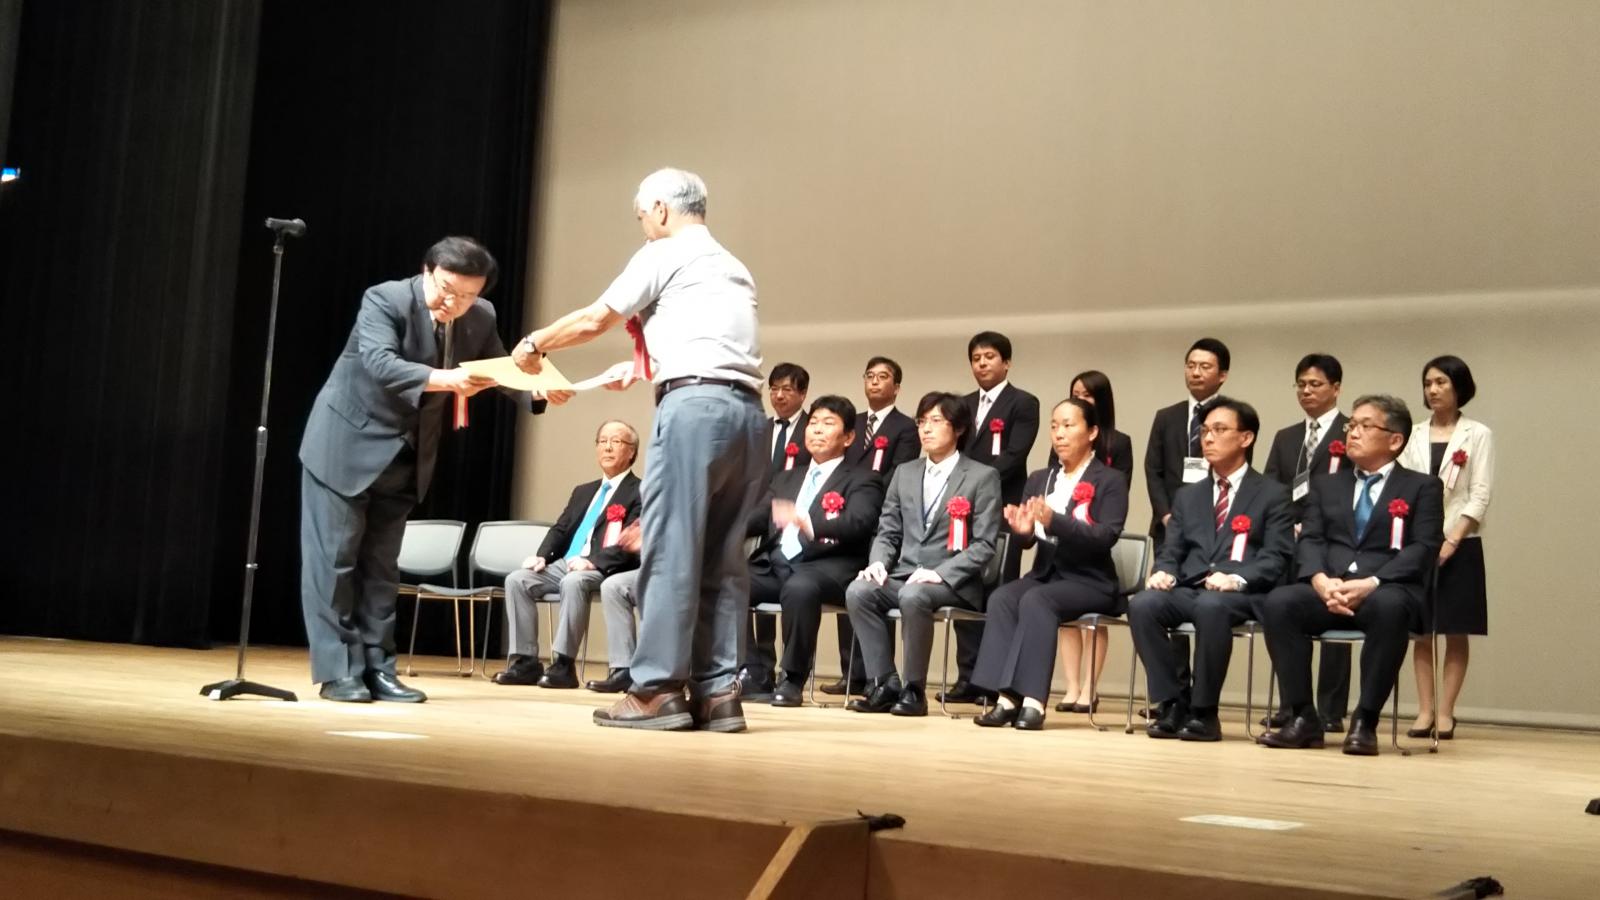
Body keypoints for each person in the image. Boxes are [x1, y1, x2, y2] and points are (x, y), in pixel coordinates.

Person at [512, 167, 766, 732]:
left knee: (671, 550)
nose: (643, 227)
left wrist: (533, 345)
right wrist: (644, 367)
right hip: (748, 414)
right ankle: (719, 694)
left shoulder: (664, 251)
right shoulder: (731, 264)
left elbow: (595, 318)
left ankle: (655, 690)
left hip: (693, 410)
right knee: (724, 557)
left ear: (661, 209)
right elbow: (709, 343)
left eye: (641, 216)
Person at [298, 236, 563, 703]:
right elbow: (381, 363)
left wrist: (537, 392)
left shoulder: (480, 316)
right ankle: (339, 672)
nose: (453, 303)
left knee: (382, 569)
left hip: (407, 455)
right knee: (335, 563)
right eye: (446, 289)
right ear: (427, 271)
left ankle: (380, 669)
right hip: (345, 447)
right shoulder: (385, 299)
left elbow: (498, 368)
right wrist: (447, 379)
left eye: (467, 295)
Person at [1257, 395, 1443, 755]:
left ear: (1395, 440)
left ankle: (1364, 721)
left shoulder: (1422, 487)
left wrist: (1372, 582)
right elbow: (1310, 539)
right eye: (1351, 425)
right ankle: (1303, 717)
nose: (1353, 433)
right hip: (1331, 588)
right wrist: (1319, 580)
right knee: (1280, 603)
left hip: (1385, 588)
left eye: (1365, 426)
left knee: (1390, 609)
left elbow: (1424, 547)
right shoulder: (1327, 484)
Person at [1128, 399, 1294, 741]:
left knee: (1211, 606)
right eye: (1204, 431)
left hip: (1243, 593)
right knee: (1143, 604)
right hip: (1191, 587)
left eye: (1219, 430)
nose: (1208, 438)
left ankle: (1204, 712)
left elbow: (1276, 556)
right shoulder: (1188, 496)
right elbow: (1172, 549)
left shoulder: (1273, 494)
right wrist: (1164, 571)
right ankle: (1173, 702)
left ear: (1246, 438)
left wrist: (1236, 578)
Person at [970, 398, 1128, 730]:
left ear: (1092, 432)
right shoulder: (1040, 478)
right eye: (1054, 426)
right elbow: (1029, 540)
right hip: (1046, 574)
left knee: (1036, 600)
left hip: (1090, 580)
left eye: (1069, 425)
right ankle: (1005, 698)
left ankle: (1032, 701)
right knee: (1003, 597)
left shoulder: (1110, 480)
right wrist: (1023, 531)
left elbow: (1105, 536)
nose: (1059, 433)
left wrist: (1055, 521)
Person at [845, 392, 1001, 717]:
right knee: (859, 591)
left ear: (958, 428)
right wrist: (878, 562)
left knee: (914, 595)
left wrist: (940, 573)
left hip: (954, 582)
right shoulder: (905, 472)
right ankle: (885, 682)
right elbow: (888, 530)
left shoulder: (982, 476)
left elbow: (984, 545)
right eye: (921, 421)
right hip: (905, 574)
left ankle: (914, 690)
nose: (926, 429)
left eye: (936, 421)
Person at [743, 395, 884, 707]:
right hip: (776, 565)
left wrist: (807, 521)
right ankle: (753, 671)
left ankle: (792, 678)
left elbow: (859, 523)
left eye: (828, 423)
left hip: (829, 567)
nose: (817, 430)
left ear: (848, 437)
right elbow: (757, 517)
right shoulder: (786, 477)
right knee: (729, 581)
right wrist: (718, 528)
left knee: (800, 587)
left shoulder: (864, 479)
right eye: (813, 423)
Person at [494, 420, 642, 689]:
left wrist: (592, 562)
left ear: (631, 451)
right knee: (517, 579)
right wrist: (542, 556)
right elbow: (561, 529)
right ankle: (526, 661)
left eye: (616, 441)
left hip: (606, 567)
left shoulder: (640, 491)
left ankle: (563, 664)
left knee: (573, 582)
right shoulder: (584, 491)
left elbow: (631, 541)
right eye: (602, 441)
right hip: (567, 563)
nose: (607, 447)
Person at [1398, 355, 1493, 740]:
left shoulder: (1477, 433)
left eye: (1441, 382)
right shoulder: (1414, 433)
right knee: (1422, 630)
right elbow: (1403, 487)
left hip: (1460, 542)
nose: (1433, 390)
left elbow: (1480, 494)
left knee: (1455, 628)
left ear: (1459, 386)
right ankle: (1424, 711)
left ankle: (1446, 712)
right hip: (1419, 543)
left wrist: (1453, 539)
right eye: (1428, 383)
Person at [945, 331, 1039, 704]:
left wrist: (974, 485)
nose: (982, 363)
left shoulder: (1024, 403)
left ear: (1007, 362)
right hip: (961, 513)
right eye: (976, 358)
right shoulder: (963, 405)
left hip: (1003, 509)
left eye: (989, 357)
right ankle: (967, 676)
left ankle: (995, 681)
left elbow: (1015, 456)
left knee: (998, 591)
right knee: (963, 588)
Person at [1261, 353, 1353, 732]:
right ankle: (1292, 706)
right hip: (1289, 540)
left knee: (1335, 622)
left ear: (1336, 388)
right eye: (1301, 384)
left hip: (1332, 541)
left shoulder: (1351, 431)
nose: (1306, 391)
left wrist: (1315, 526)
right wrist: (1286, 525)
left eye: (1315, 384)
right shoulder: (1287, 437)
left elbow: (1354, 489)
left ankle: (1331, 710)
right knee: (1283, 619)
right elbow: (1270, 488)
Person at [1141, 337, 1233, 704]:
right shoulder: (1168, 416)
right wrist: (1167, 514)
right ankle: (1174, 694)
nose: (1195, 372)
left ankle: (1201, 695)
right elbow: (1153, 470)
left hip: (1214, 530)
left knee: (1207, 605)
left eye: (1205, 366)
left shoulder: (1231, 418)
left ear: (1222, 375)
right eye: (1191, 365)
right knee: (1165, 601)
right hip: (1169, 527)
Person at [819, 355, 916, 696]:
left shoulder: (906, 427)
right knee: (849, 589)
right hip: (846, 518)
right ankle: (851, 673)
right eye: (869, 376)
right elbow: (838, 467)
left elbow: (899, 472)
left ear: (897, 387)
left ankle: (878, 675)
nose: (874, 381)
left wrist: (866, 497)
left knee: (873, 590)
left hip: (881, 519)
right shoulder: (854, 423)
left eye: (883, 376)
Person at [1052, 369, 1135, 714]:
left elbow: (1119, 490)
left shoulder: (1119, 442)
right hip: (1064, 540)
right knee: (1065, 616)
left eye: (1087, 395)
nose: (1080, 399)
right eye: (1076, 393)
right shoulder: (1061, 441)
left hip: (1095, 537)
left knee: (1091, 619)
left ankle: (1090, 687)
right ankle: (1071, 687)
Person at [743, 362, 813, 695]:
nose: (779, 395)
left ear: (802, 393)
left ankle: (786, 670)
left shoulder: (812, 429)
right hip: (758, 519)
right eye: (774, 389)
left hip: (794, 525)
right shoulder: (760, 430)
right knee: (743, 582)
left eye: (787, 389)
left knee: (790, 590)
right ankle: (756, 668)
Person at [588, 523, 644, 693]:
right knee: (613, 586)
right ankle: (624, 669)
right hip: (652, 566)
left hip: (683, 567)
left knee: (657, 587)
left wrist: (650, 540)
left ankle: (658, 675)